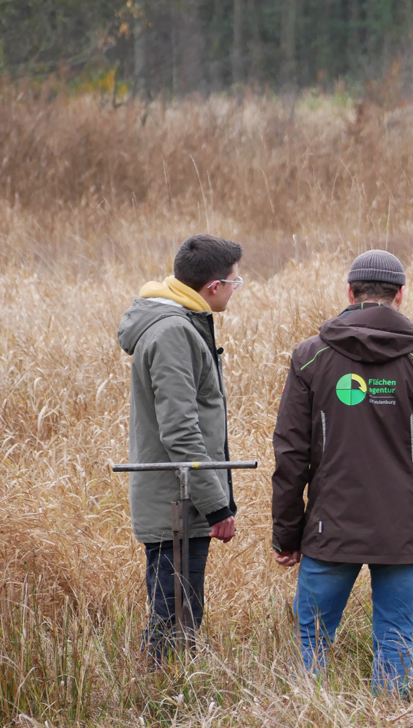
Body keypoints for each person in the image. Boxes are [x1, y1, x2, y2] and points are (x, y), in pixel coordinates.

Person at [271, 250, 413, 697]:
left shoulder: (310, 356)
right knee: (395, 639)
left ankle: (309, 714)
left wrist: (287, 533)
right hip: (404, 532)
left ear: (349, 292)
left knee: (312, 639)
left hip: (329, 529)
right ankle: (390, 714)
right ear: (401, 295)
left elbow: (290, 455)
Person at [116, 234, 244, 659]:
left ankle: (164, 682)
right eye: (235, 282)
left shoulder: (178, 324)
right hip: (177, 503)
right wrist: (216, 505)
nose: (235, 290)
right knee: (174, 618)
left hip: (180, 498)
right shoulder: (173, 332)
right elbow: (180, 430)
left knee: (176, 611)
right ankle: (161, 689)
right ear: (214, 286)